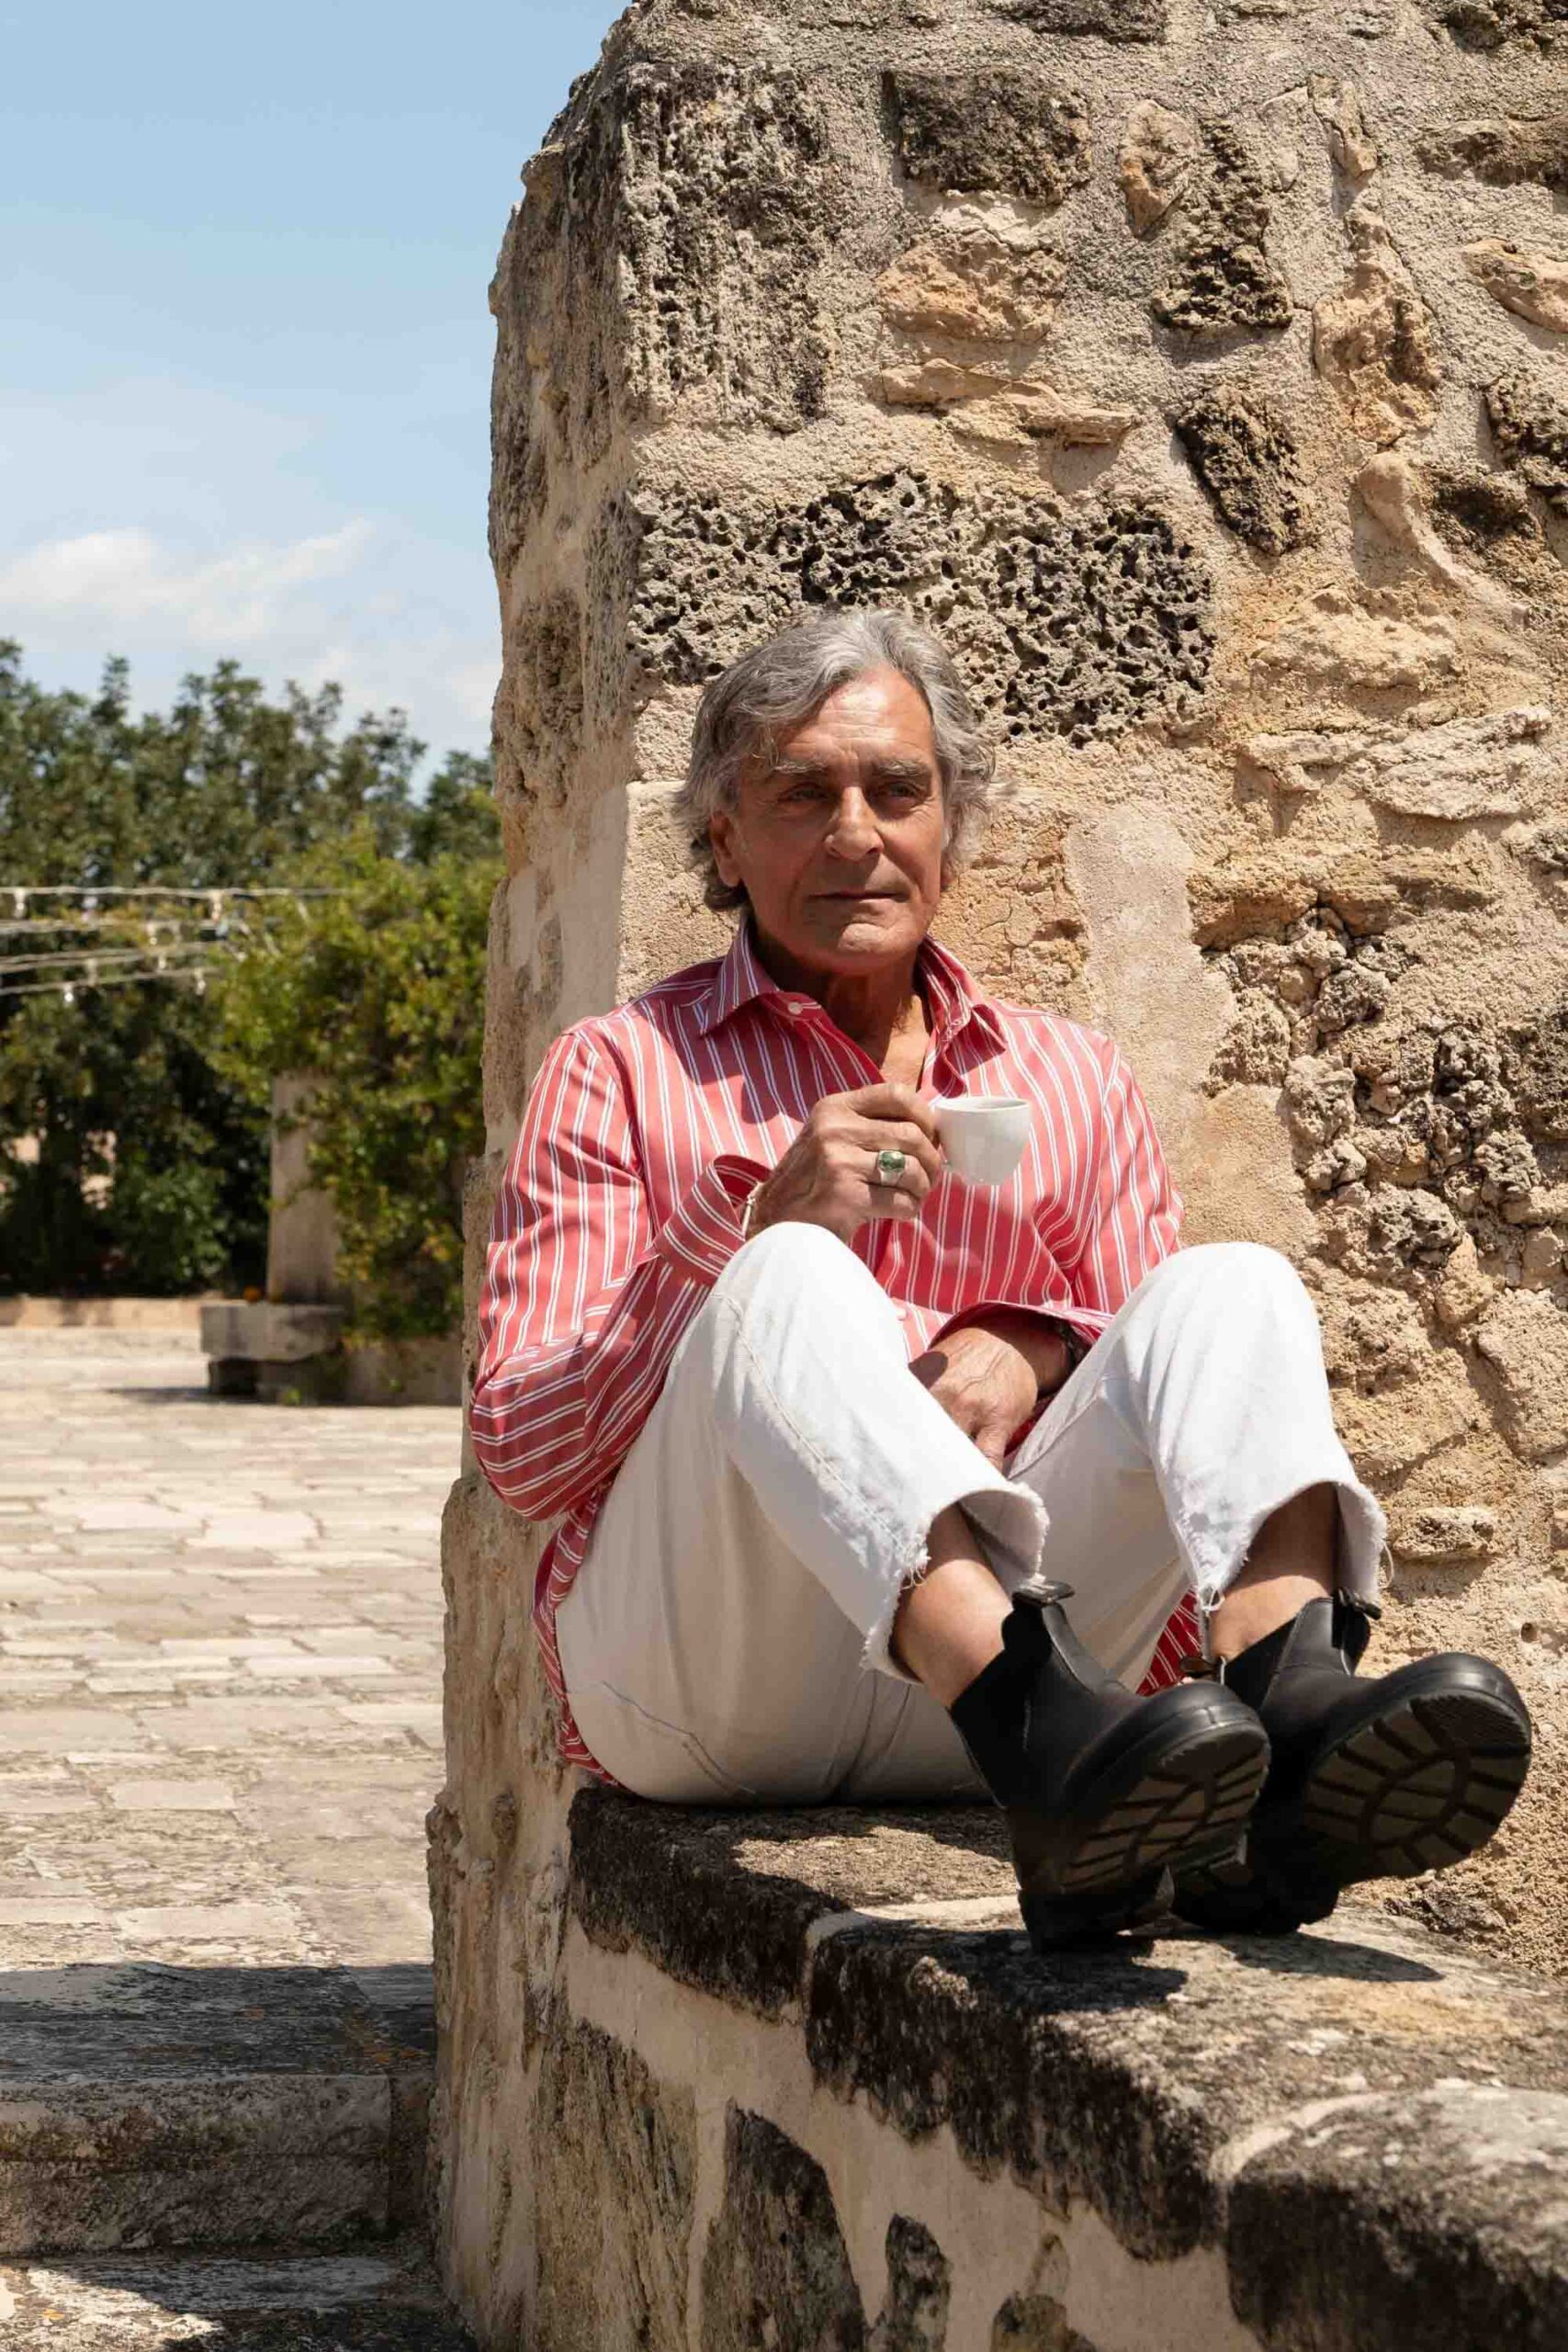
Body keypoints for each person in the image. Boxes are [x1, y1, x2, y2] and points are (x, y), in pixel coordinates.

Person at [471, 609, 1531, 1949]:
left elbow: (1174, 1414)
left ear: (950, 826)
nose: (855, 834)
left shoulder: (1070, 1077)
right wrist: (737, 1237)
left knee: (1234, 1287)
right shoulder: (621, 1068)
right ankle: (1038, 1722)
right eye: (802, 794)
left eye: (896, 790)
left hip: (992, 1707)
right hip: (706, 1690)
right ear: (725, 841)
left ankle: (1290, 1721)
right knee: (787, 1269)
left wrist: (1040, 1344)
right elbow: (525, 1458)